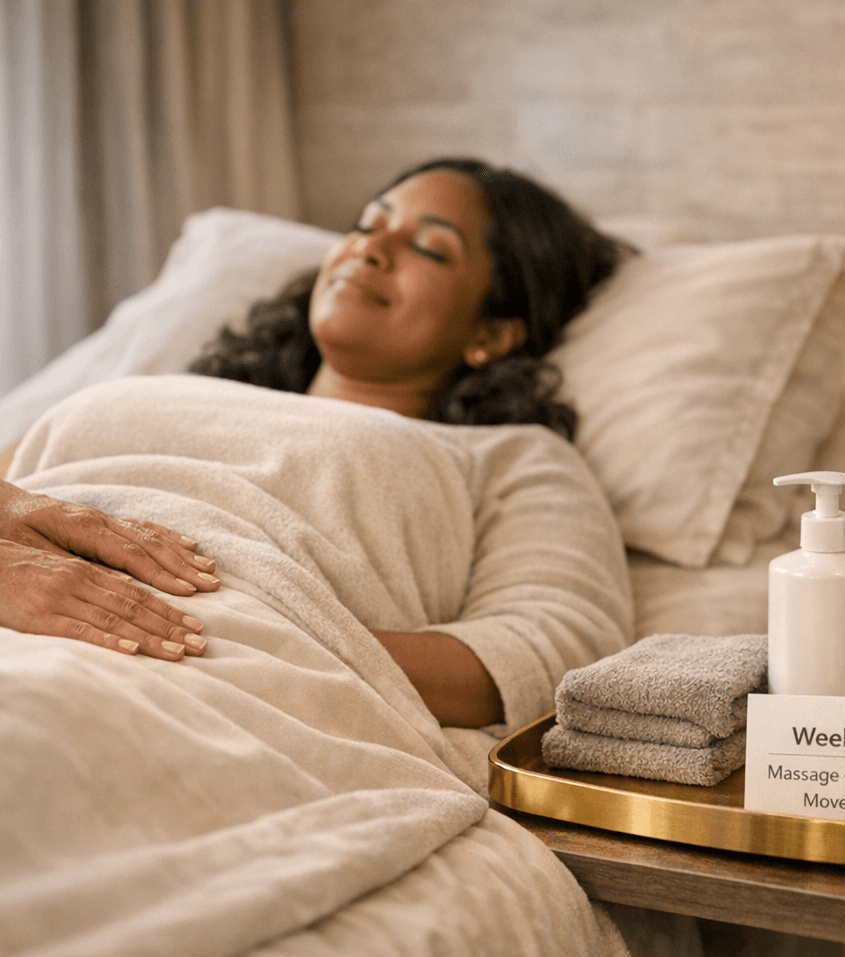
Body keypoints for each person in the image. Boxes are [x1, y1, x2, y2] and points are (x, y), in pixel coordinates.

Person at [0, 157, 628, 728]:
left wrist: (255, 642)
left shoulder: (505, 457)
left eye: (430, 249)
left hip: (185, 674)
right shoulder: (158, 386)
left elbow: (554, 653)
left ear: (490, 334)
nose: (369, 248)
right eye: (364, 224)